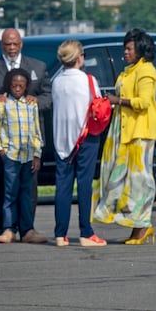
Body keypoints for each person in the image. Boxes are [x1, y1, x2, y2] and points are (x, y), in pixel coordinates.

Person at [0, 28, 51, 242]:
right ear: (1, 45)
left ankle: (27, 229)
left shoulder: (38, 66)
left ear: (21, 44)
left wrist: (38, 102)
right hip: (2, 140)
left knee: (28, 186)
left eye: (15, 44)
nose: (11, 48)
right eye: (7, 44)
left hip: (28, 140)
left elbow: (48, 96)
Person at [93, 28, 156, 245]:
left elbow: (143, 102)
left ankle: (143, 226)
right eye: (125, 48)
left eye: (129, 48)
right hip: (124, 129)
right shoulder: (129, 70)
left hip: (140, 132)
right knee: (125, 179)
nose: (125, 52)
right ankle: (136, 225)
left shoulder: (146, 71)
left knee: (141, 180)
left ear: (140, 49)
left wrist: (116, 101)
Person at [51, 40, 107, 248]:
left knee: (62, 186)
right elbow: (98, 105)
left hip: (61, 139)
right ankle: (86, 232)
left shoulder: (57, 81)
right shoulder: (88, 80)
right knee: (84, 185)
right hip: (85, 137)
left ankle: (60, 233)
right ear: (79, 58)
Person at [0, 68, 45, 244]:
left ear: (27, 85)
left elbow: (37, 132)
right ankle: (9, 229)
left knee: (26, 194)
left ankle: (27, 230)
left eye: (21, 85)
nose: (18, 88)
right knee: (10, 194)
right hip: (11, 157)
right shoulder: (2, 104)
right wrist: (1, 151)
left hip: (28, 156)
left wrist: (37, 155)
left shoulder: (32, 105)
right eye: (14, 85)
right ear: (9, 85)